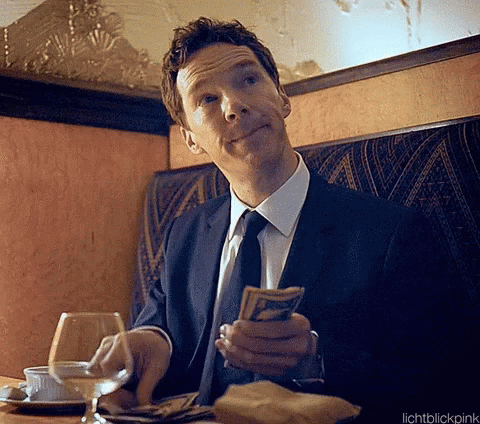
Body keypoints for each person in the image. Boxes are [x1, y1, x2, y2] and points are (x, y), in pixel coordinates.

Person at [95, 17, 471, 421]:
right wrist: (150, 340)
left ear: (282, 97)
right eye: (207, 99)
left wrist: (316, 357)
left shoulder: (390, 234)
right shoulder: (184, 232)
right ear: (189, 137)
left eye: (249, 80)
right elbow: (159, 324)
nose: (234, 106)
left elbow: (441, 388)